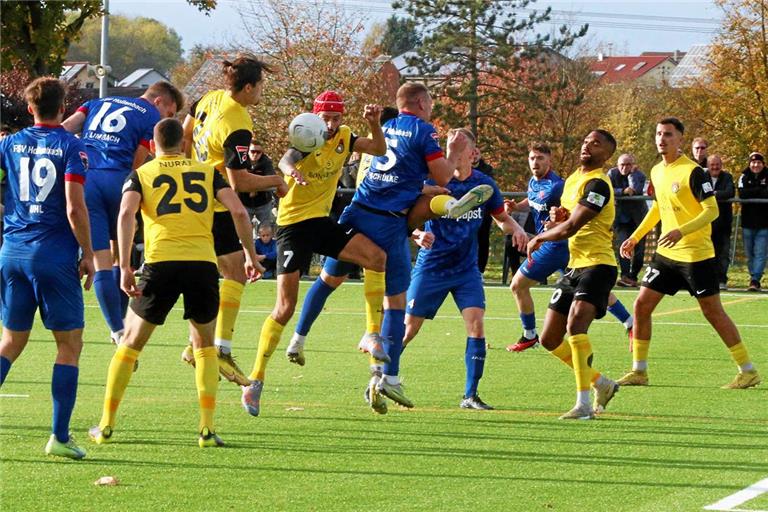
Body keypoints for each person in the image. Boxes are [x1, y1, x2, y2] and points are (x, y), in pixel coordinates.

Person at [89, 118, 261, 448]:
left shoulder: (141, 174)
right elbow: (239, 212)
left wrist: (124, 265)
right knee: (205, 346)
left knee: (130, 343)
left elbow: (126, 215)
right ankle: (207, 430)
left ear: (153, 146)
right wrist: (250, 255)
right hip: (201, 264)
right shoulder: (208, 172)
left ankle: (106, 425)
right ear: (183, 144)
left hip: (160, 264)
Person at [320, 82, 488, 412]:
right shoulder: (421, 132)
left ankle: (371, 367)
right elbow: (436, 179)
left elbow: (401, 180)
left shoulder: (382, 136)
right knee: (397, 309)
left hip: (362, 218)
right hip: (390, 226)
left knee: (336, 284)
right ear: (422, 103)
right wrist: (449, 160)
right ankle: (385, 377)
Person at [240, 91, 391, 417]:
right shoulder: (308, 134)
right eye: (327, 118)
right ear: (316, 116)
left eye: (336, 118)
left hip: (321, 223)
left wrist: (375, 124)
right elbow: (285, 159)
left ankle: (371, 333)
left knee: (377, 257)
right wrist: (291, 172)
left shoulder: (346, 136)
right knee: (284, 307)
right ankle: (254, 381)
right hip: (292, 226)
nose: (332, 124)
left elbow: (379, 149)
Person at [618, 117, 760, 389]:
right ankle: (639, 370)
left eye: (668, 134)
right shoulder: (657, 170)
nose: (662, 139)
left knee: (713, 313)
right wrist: (635, 237)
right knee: (641, 305)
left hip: (696, 255)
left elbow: (712, 210)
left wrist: (681, 231)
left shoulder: (694, 172)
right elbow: (658, 208)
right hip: (666, 255)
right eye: (659, 133)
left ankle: (747, 369)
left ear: (680, 139)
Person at [0, 77, 95, 459]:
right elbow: (74, 207)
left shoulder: (8, 144)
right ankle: (59, 435)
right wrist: (88, 252)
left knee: (10, 342)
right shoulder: (73, 147)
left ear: (29, 108)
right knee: (69, 346)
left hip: (12, 252)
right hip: (53, 256)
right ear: (64, 106)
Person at [403, 128, 527, 412]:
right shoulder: (432, 182)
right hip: (432, 266)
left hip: (466, 270)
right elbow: (408, 218)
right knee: (408, 330)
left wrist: (518, 229)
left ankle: (470, 396)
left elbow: (502, 219)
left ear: (474, 154)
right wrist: (417, 234)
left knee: (477, 326)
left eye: (459, 149)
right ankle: (382, 378)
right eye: (449, 148)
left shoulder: (484, 186)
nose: (453, 155)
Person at [181, 56, 288, 386]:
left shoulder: (209, 98)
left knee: (214, 275)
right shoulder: (238, 121)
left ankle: (196, 345)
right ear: (248, 87)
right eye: (260, 88)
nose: (261, 94)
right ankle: (219, 348)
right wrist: (277, 180)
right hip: (218, 207)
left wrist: (189, 174)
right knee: (235, 273)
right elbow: (239, 181)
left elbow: (184, 135)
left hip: (195, 201)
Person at [62, 81, 183, 346]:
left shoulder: (96, 103)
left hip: (87, 180)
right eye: (171, 114)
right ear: (159, 101)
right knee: (120, 256)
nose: (168, 120)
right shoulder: (151, 114)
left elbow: (65, 128)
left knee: (101, 259)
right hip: (118, 180)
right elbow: (136, 162)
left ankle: (117, 330)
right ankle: (123, 328)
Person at [526, 129, 621, 420]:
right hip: (575, 265)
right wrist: (557, 218)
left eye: (596, 144)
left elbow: (572, 227)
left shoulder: (598, 184)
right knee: (549, 338)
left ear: (607, 155)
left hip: (599, 265)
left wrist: (541, 237)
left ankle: (582, 406)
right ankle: (601, 383)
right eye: (585, 141)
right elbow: (565, 219)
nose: (587, 146)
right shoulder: (572, 182)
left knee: (576, 326)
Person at [506, 142, 634, 352]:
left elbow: (572, 213)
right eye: (532, 158)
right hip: (568, 246)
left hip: (554, 244)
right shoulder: (533, 182)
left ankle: (529, 335)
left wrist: (552, 226)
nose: (535, 163)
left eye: (540, 159)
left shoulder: (559, 185)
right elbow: (533, 201)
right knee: (593, 289)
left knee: (517, 286)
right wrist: (516, 206)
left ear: (550, 161)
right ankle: (630, 322)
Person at [607, 153, 648, 287]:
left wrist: (632, 175)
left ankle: (633, 276)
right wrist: (622, 191)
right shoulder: (611, 174)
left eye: (628, 165)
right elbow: (607, 190)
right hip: (621, 218)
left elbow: (635, 190)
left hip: (639, 218)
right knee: (623, 246)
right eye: (622, 165)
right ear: (617, 165)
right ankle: (624, 276)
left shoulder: (639, 175)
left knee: (640, 250)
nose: (624, 167)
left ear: (633, 165)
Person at [737, 152, 768, 292]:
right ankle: (753, 276)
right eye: (753, 162)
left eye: (759, 162)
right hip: (748, 221)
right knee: (750, 254)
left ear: (763, 164)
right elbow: (742, 194)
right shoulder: (744, 176)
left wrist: (753, 191)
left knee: (760, 253)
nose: (756, 165)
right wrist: (759, 190)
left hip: (764, 222)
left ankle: (755, 279)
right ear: (749, 164)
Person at [707, 154, 735, 289]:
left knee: (723, 253)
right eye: (712, 164)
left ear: (721, 165)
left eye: (717, 164)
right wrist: (716, 194)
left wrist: (713, 194)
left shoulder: (727, 177)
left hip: (723, 223)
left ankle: (721, 280)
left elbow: (730, 192)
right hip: (705, 223)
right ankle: (707, 280)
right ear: (708, 166)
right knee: (706, 253)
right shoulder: (702, 177)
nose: (715, 167)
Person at [241, 138, 276, 234]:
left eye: (258, 152)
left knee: (266, 230)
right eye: (252, 151)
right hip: (245, 202)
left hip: (263, 203)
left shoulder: (266, 162)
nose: (255, 154)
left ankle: (265, 248)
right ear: (248, 151)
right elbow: (237, 181)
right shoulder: (241, 161)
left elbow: (272, 181)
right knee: (244, 229)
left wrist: (255, 188)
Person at [472, 148, 495, 273]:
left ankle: (480, 271)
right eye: (472, 152)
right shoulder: (460, 169)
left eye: (477, 153)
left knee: (483, 240)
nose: (474, 156)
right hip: (465, 212)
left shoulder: (487, 170)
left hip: (484, 212)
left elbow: (488, 189)